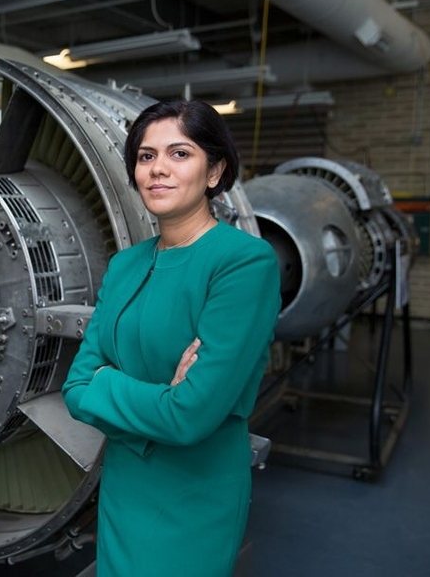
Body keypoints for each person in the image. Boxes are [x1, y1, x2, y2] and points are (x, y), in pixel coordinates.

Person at [62, 99, 281, 576]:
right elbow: (76, 391)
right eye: (146, 156)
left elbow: (191, 417)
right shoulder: (125, 265)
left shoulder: (243, 263)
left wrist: (108, 383)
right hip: (124, 483)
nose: (158, 169)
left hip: (195, 489)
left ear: (214, 170)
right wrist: (164, 395)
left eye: (179, 154)